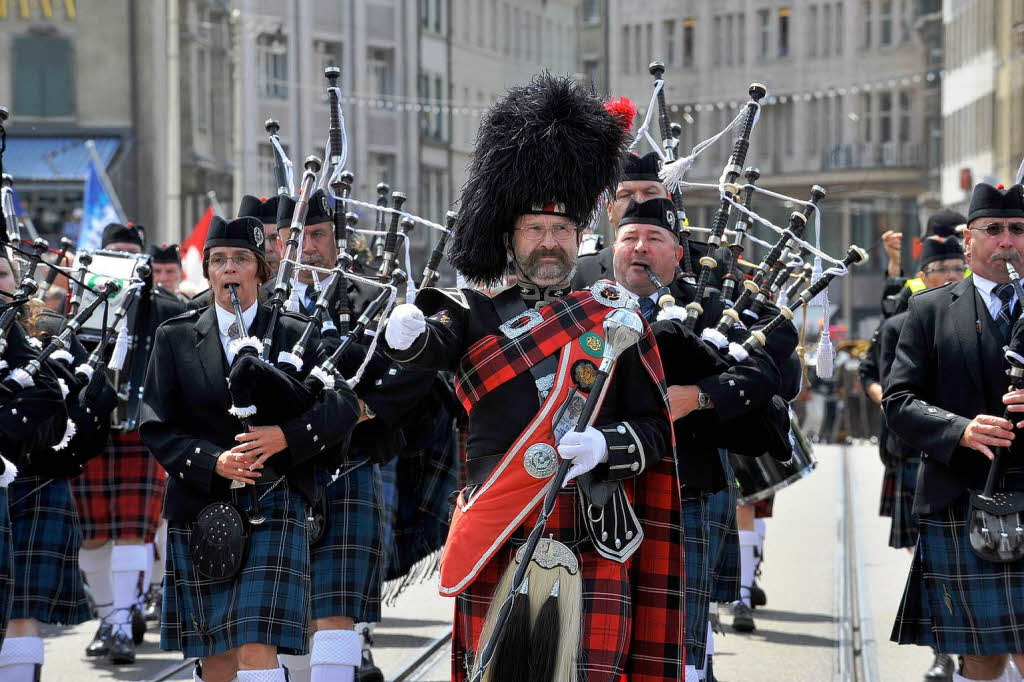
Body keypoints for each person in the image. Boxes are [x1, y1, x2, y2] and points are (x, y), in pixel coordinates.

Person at [382, 74, 677, 681]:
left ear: (580, 237)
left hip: (590, 525)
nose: (550, 242)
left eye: (562, 231)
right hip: (500, 521)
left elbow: (654, 432)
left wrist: (605, 445)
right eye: (536, 230)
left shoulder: (614, 315)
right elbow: (435, 348)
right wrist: (406, 338)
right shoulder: (474, 310)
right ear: (510, 237)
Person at [140, 215, 360, 682]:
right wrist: (214, 461)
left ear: (260, 270)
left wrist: (287, 437)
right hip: (201, 504)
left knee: (256, 644)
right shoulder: (176, 338)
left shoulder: (296, 332)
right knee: (216, 656)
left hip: (274, 500)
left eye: (241, 259)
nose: (229, 269)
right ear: (208, 272)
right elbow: (157, 426)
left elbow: (342, 406)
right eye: (219, 260)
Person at [606, 196, 792, 679]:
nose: (639, 248)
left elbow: (766, 374)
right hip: (600, 492)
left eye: (654, 239)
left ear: (676, 253)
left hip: (686, 486)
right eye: (630, 238)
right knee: (604, 637)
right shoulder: (589, 302)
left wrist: (699, 396)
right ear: (614, 248)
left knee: (678, 639)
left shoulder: (712, 304)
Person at [886, 182, 1024, 682]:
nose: (1006, 240)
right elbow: (899, 402)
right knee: (982, 657)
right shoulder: (929, 310)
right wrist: (961, 429)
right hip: (962, 496)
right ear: (969, 240)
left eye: (1018, 229)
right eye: (994, 229)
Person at [72, 222, 185, 664]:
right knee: (92, 535)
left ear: (141, 261)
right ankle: (108, 618)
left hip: (142, 429)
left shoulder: (167, 307)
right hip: (90, 429)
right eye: (112, 252)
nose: (121, 260)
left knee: (134, 531)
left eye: (128, 253)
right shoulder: (81, 306)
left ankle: (121, 623)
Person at [0, 245, 82, 681]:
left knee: (21, 607)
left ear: (18, 283)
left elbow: (59, 405)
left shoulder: (46, 333)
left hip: (32, 482)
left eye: (3, 274)